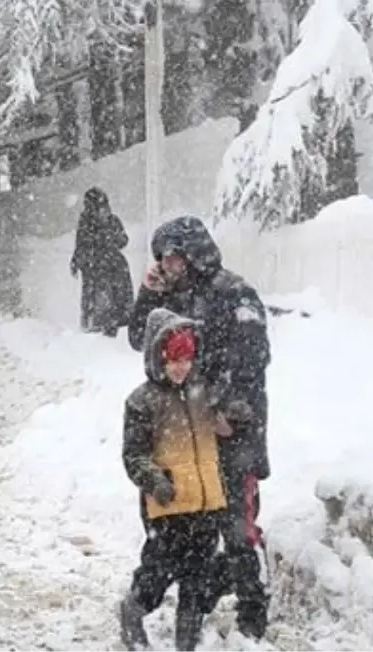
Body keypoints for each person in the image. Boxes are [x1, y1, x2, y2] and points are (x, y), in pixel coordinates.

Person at [127, 215, 271, 639]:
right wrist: (147, 294)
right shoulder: (172, 298)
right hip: (185, 435)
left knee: (237, 527)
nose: (167, 268)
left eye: (171, 259)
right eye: (163, 262)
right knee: (189, 525)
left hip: (232, 434)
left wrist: (226, 409)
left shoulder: (233, 294)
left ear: (193, 255)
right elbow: (140, 339)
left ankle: (251, 614)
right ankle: (198, 594)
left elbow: (252, 361)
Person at [119, 307, 233, 652]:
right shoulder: (143, 401)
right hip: (167, 506)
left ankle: (187, 642)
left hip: (205, 503)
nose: (181, 367)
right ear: (158, 359)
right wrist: (156, 482)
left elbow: (224, 433)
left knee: (197, 579)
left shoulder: (204, 393)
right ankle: (133, 609)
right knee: (158, 571)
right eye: (173, 360)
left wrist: (234, 420)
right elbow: (134, 454)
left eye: (186, 359)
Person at [70, 187, 133, 337]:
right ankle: (100, 327)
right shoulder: (88, 223)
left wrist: (77, 261)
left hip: (107, 266)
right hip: (100, 267)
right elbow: (82, 245)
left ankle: (107, 324)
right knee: (104, 299)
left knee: (112, 298)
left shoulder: (105, 220)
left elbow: (123, 240)